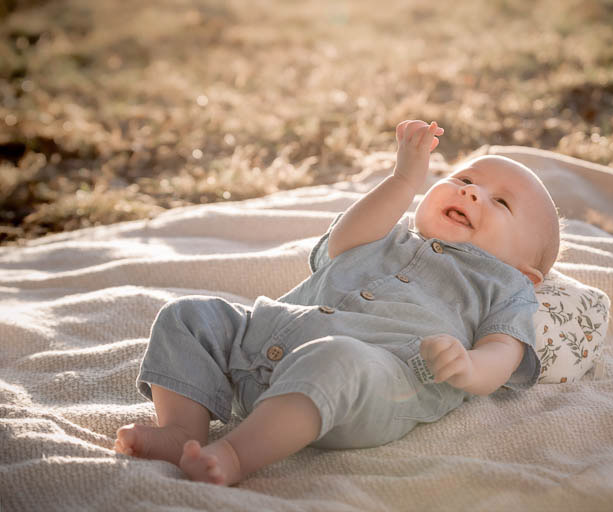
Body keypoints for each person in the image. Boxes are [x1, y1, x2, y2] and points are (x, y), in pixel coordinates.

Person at [114, 120, 561, 486]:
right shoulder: (389, 234)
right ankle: (180, 430)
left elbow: (505, 350)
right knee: (190, 315)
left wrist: (469, 367)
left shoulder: (506, 286)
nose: (470, 193)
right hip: (268, 339)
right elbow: (344, 240)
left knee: (337, 358)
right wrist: (403, 180)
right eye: (464, 180)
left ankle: (233, 454)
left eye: (500, 202)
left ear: (526, 271)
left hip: (374, 376)